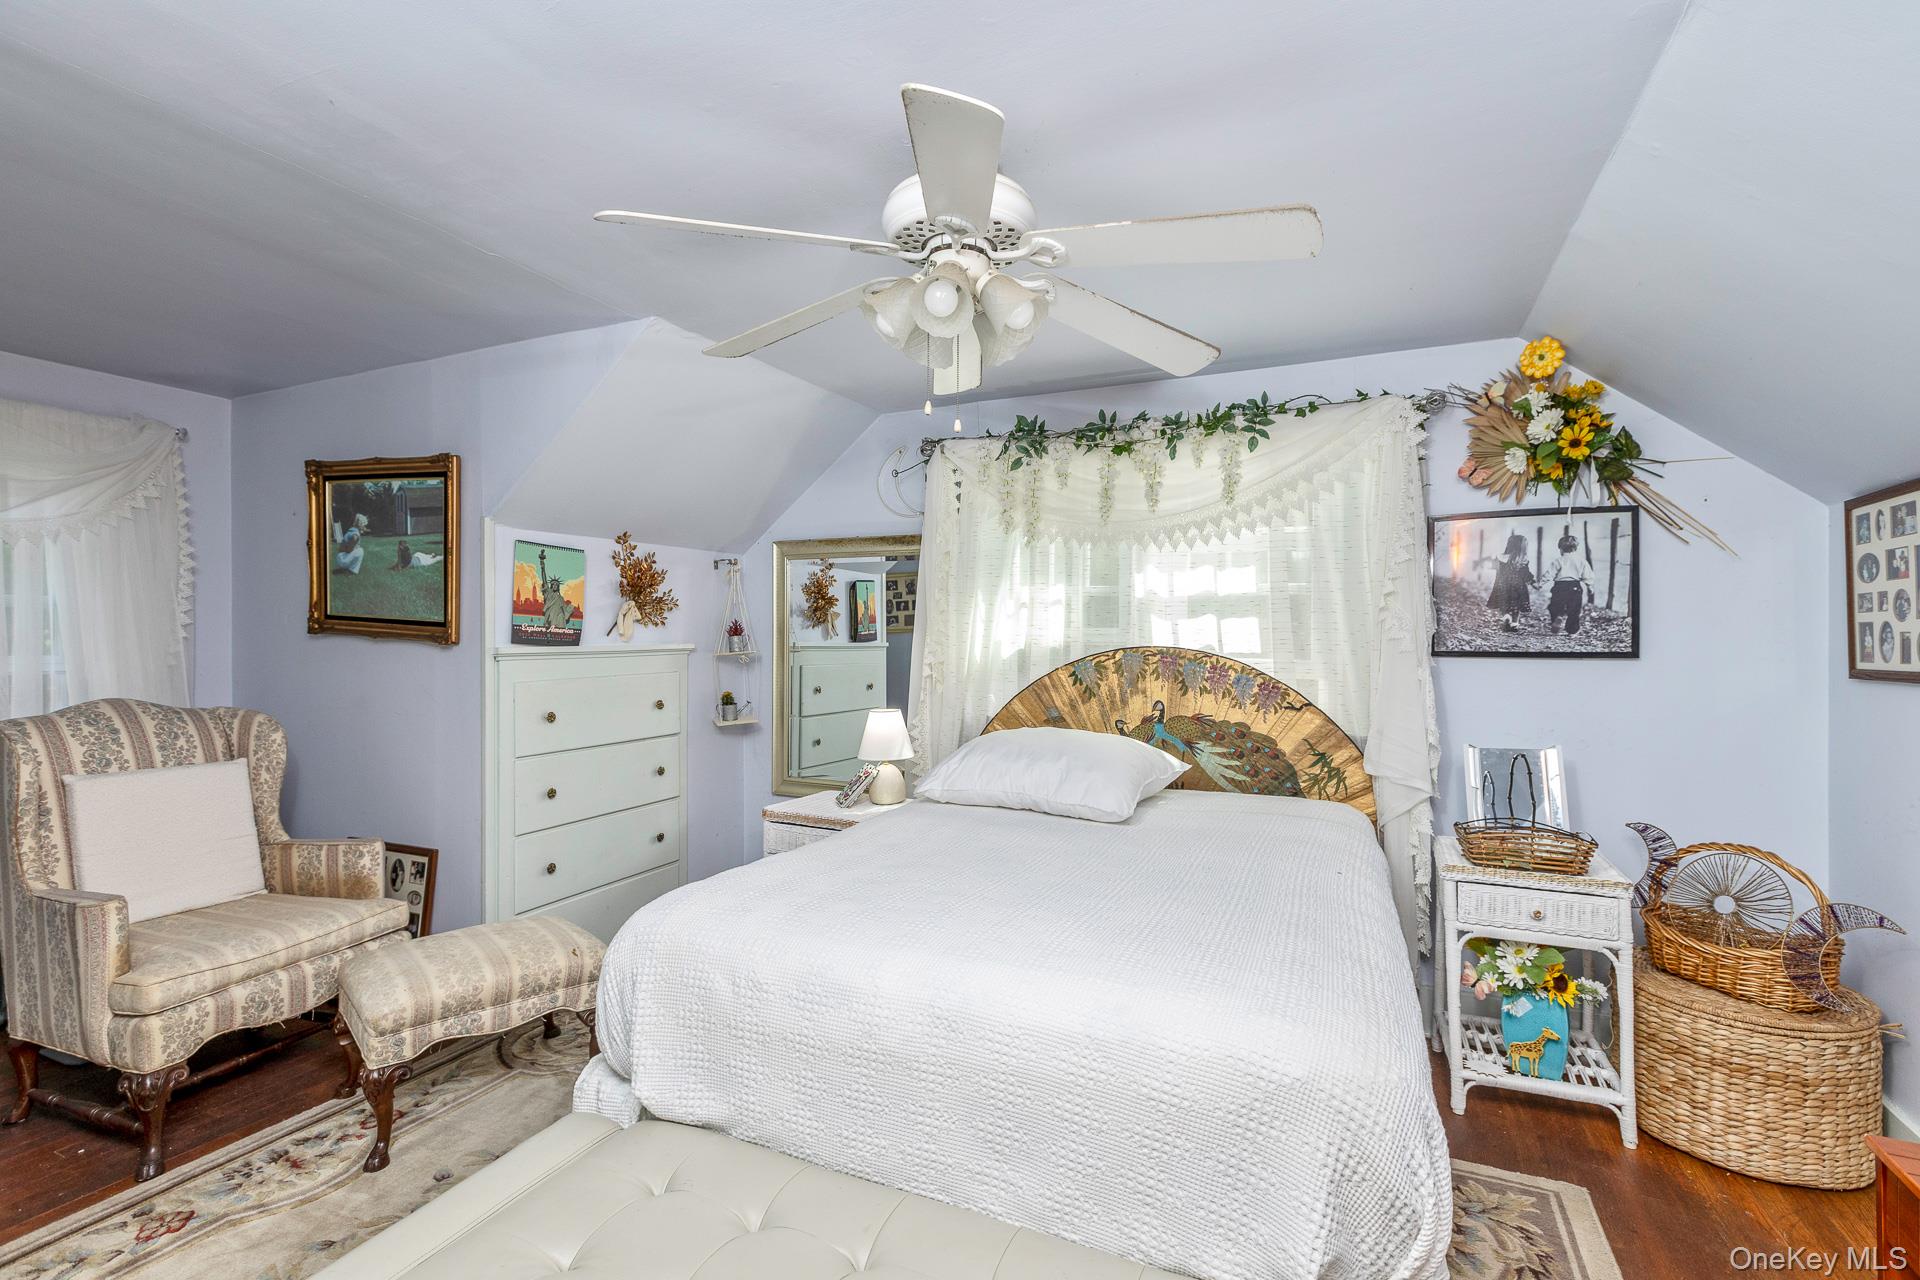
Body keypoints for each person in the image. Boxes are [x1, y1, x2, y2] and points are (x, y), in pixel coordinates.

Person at [1544, 533, 1597, 635]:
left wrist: (1540, 584)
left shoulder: (1558, 561)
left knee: (1555, 606)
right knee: (1574, 610)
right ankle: (1572, 630)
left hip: (1559, 586)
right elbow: (1588, 576)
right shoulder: (1581, 561)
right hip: (1574, 587)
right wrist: (1590, 587)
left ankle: (1558, 617)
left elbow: (1549, 574)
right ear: (1575, 548)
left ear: (1561, 549)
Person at [1485, 532, 1533, 632]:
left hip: (1501, 584)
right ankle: (1514, 624)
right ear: (1522, 548)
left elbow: (1493, 567)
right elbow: (1526, 574)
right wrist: (1532, 581)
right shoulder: (1523, 560)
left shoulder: (1500, 556)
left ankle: (1506, 616)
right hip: (1518, 586)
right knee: (1517, 606)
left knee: (1503, 603)